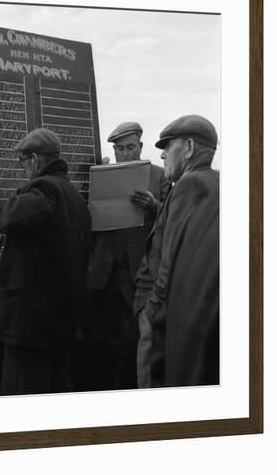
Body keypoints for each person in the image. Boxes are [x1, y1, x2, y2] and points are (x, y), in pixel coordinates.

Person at [0, 128, 92, 396]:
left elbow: (10, 217)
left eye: (23, 162)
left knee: (22, 393)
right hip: (61, 321)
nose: (23, 169)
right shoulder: (76, 197)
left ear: (34, 158)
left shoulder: (46, 188)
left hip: (32, 324)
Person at [136, 114, 219, 388]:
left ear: (190, 148)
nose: (162, 157)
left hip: (164, 315)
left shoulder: (188, 184)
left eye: (167, 147)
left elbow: (169, 263)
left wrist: (152, 313)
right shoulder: (214, 183)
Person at [85, 122, 170, 390]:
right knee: (102, 334)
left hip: (138, 270)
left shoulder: (159, 176)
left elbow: (173, 218)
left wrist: (154, 206)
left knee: (133, 335)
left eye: (130, 147)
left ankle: (130, 384)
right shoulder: (103, 174)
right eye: (120, 149)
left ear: (140, 148)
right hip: (104, 269)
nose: (125, 153)